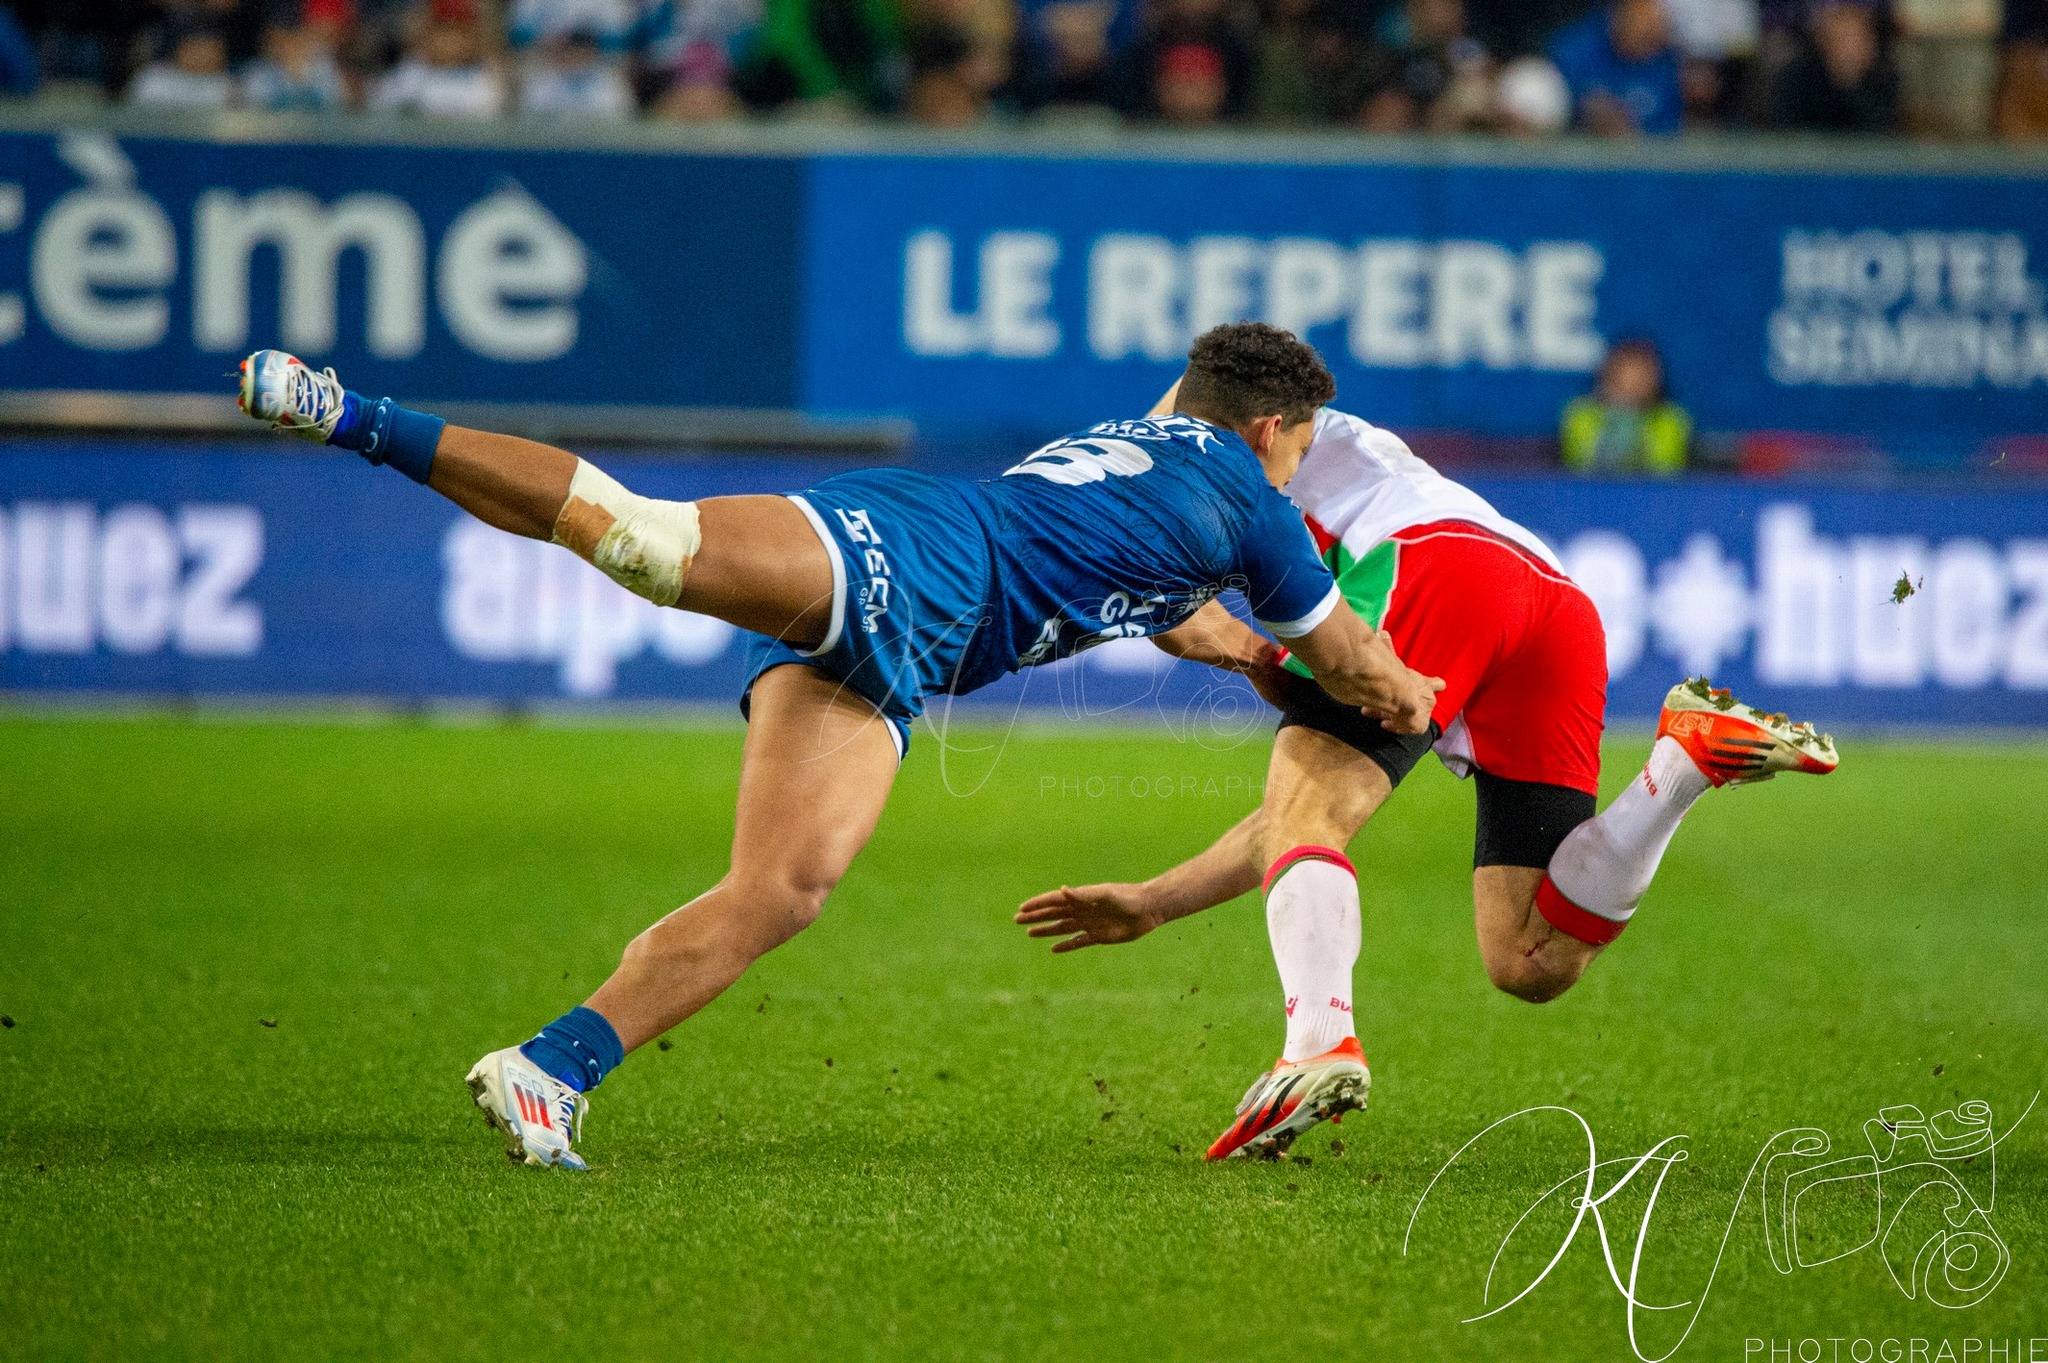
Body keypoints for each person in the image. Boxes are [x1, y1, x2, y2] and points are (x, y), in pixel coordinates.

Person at [230, 324, 1444, 1170]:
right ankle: (350, 413)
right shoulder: (1250, 498)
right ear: (1272, 426)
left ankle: (550, 1068)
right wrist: (1416, 696)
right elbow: (1346, 654)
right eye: (1300, 446)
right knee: (645, 542)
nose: (1299, 468)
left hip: (909, 638)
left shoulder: (1144, 448)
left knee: (782, 890)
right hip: (919, 557)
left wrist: (1241, 654)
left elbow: (1169, 606)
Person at [1015, 391, 1839, 1161]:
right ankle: (1682, 765)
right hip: (1550, 598)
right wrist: (1156, 901)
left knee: (1311, 811)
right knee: (1531, 955)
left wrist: (1251, 650)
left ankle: (1321, 1042)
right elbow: (1270, 787)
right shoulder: (1258, 448)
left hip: (1434, 562)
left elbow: (1159, 588)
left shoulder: (1199, 448)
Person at [1559, 337, 1693, 476]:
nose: (1632, 385)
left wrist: (1635, 426)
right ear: (1608, 375)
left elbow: (1667, 469)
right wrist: (1615, 420)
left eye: (1641, 376)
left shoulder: (1672, 419)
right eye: (1625, 375)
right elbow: (1580, 465)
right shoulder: (1580, 414)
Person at [1547, 0, 1684, 134]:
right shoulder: (1574, 49)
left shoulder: (1665, 65)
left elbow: (1667, 127)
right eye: (1638, 15)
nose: (1648, 27)